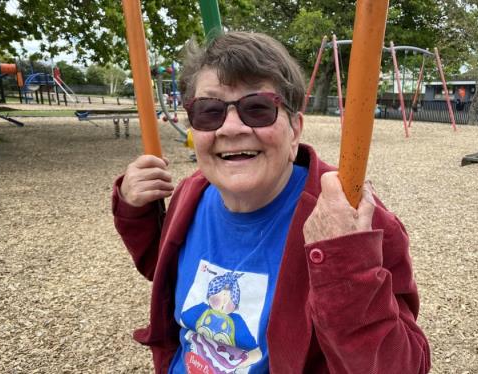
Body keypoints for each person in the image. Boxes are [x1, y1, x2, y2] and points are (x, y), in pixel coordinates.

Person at [113, 31, 430, 374]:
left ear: (295, 129)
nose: (231, 128)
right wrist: (134, 210)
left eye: (258, 108)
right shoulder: (191, 195)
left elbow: (403, 366)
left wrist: (347, 267)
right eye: (209, 112)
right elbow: (165, 271)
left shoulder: (352, 219)